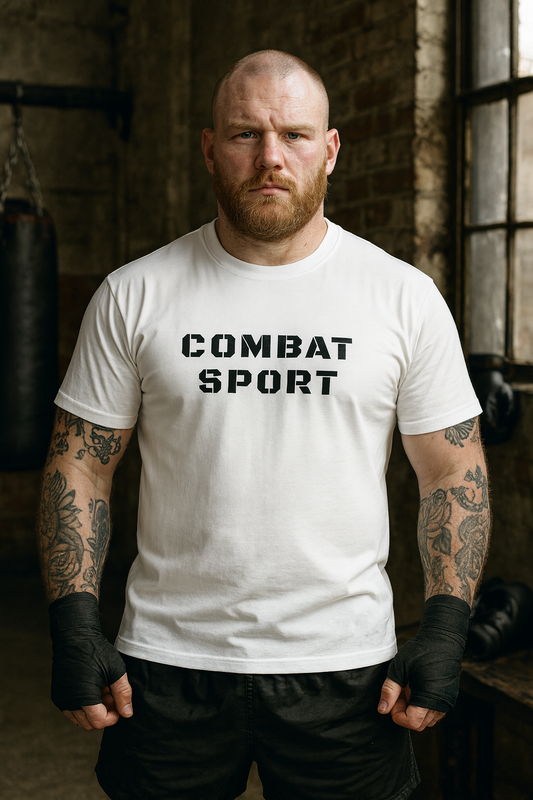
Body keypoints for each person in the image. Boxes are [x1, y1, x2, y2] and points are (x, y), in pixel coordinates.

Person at [38, 50, 490, 800]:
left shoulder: (403, 298)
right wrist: (74, 622)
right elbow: (80, 464)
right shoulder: (133, 294)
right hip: (169, 662)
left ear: (330, 149)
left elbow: (452, 470)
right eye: (245, 134)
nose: (270, 157)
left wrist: (445, 629)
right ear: (210, 148)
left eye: (295, 135)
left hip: (346, 666)